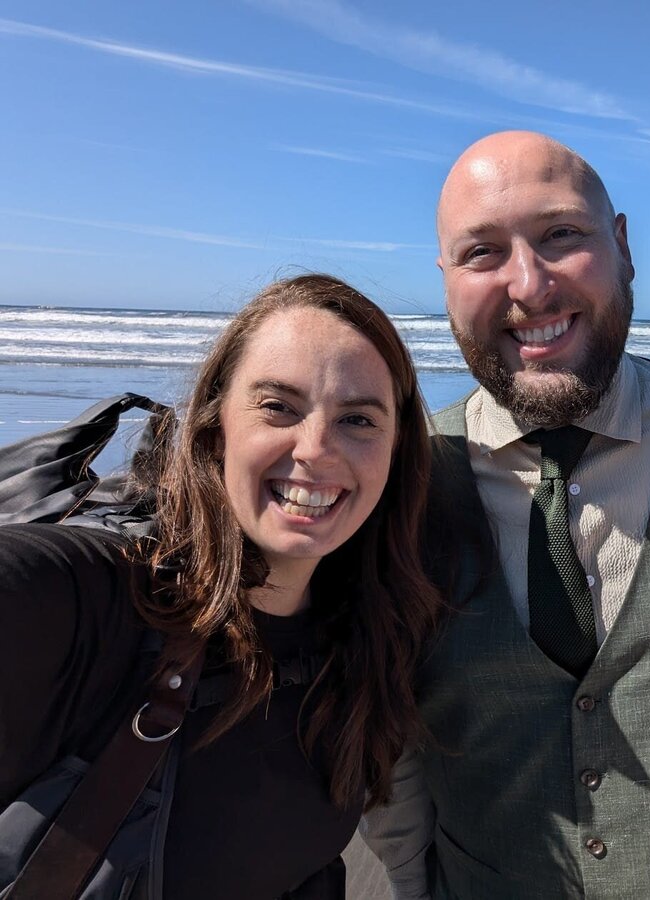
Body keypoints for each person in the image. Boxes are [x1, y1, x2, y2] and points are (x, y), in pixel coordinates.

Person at [360, 131, 650, 898]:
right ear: (446, 277)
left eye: (561, 236)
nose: (529, 285)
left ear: (622, 247)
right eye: (482, 253)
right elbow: (386, 742)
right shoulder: (394, 481)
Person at [0, 274, 443, 898]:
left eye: (358, 419)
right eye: (278, 407)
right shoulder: (93, 596)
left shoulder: (364, 642)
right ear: (214, 432)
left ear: (396, 452)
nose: (314, 449)